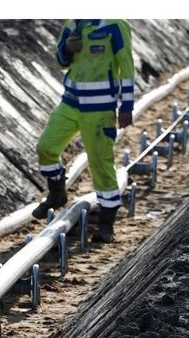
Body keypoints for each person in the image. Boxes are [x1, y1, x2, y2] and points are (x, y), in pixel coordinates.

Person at [32, 19, 135, 243]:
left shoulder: (115, 25)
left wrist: (127, 105)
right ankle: (57, 193)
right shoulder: (75, 23)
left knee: (100, 163)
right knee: (46, 148)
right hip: (70, 103)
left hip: (100, 109)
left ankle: (106, 225)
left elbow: (126, 66)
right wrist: (67, 48)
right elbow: (60, 61)